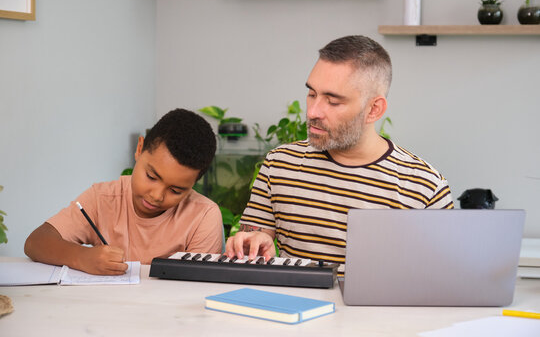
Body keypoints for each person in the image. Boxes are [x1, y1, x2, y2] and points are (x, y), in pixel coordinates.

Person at [225, 35, 454, 275]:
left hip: (378, 312)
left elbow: (440, 279)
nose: (313, 112)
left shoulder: (426, 187)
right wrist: (254, 241)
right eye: (312, 94)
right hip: (292, 309)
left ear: (374, 109)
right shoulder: (278, 164)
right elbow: (256, 237)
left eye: (332, 101)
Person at [25, 108, 223, 275]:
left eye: (176, 190)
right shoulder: (102, 198)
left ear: (194, 183)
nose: (157, 195)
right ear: (139, 149)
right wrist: (81, 257)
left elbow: (197, 287)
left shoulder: (203, 216)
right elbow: (36, 242)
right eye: (151, 177)